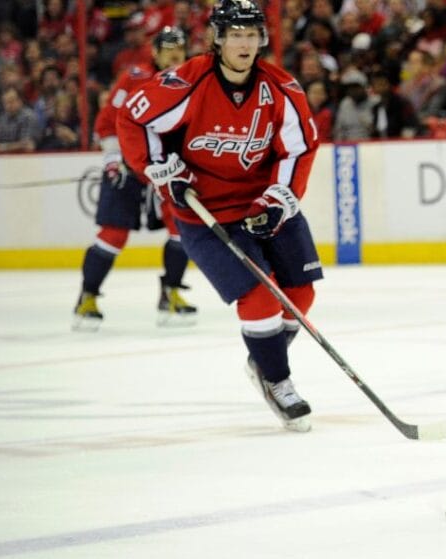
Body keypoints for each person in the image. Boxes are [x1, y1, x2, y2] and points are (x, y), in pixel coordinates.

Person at [116, 0, 321, 432]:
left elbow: (299, 149)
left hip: (263, 202)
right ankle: (279, 381)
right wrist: (163, 172)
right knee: (260, 298)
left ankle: (264, 360)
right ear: (218, 39)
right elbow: (134, 119)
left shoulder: (281, 89)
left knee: (300, 296)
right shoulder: (188, 81)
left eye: (252, 34)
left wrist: (278, 199)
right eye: (236, 35)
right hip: (204, 211)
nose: (245, 43)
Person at [73, 26, 194, 331]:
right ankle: (87, 297)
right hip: (129, 166)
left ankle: (171, 292)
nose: (174, 56)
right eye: (168, 50)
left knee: (182, 229)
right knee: (113, 235)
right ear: (155, 52)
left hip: (166, 168)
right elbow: (107, 122)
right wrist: (113, 158)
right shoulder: (135, 77)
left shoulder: (192, 81)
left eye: (179, 50)